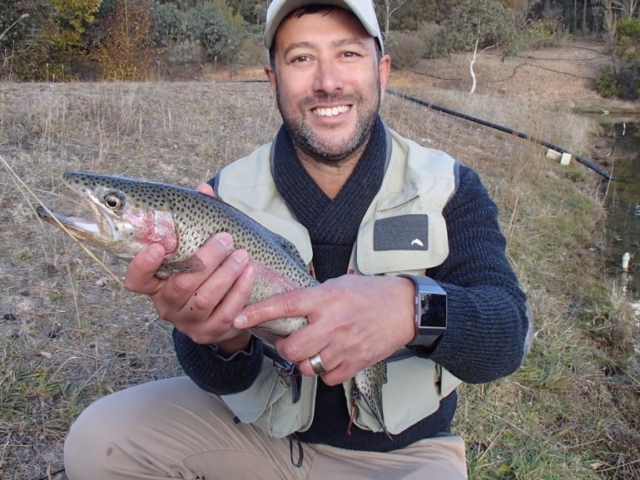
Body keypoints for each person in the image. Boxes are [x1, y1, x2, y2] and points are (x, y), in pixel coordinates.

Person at [63, 0, 533, 478]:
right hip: (257, 439)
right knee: (98, 441)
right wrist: (219, 339)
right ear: (272, 79)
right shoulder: (222, 198)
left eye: (348, 53)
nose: (327, 81)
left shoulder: (450, 186)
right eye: (301, 58)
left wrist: (413, 309)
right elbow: (218, 377)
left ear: (382, 70)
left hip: (405, 458)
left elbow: (508, 336)